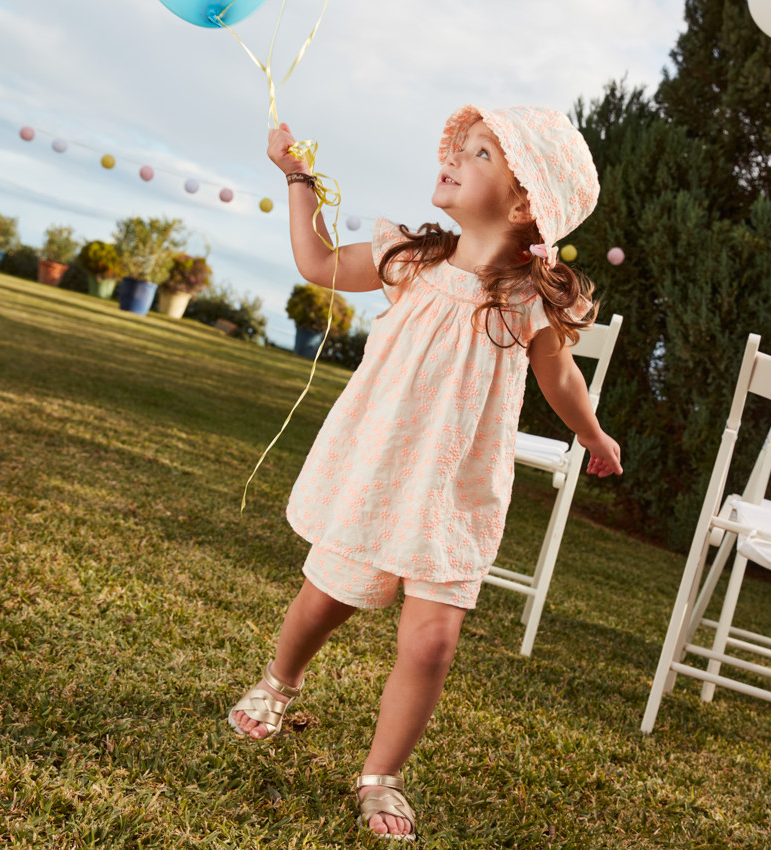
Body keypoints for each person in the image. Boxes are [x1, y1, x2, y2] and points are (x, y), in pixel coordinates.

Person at [229, 105, 623, 841]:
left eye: (480, 154)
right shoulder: (411, 259)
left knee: (433, 643)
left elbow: (561, 379)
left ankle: (380, 775)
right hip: (380, 468)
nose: (454, 157)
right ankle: (279, 682)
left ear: (522, 202)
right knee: (326, 599)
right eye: (461, 147)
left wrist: (594, 433)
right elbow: (316, 264)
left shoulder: (526, 300)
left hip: (455, 489)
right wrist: (298, 179)